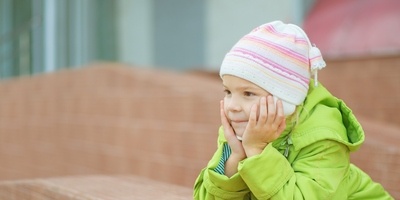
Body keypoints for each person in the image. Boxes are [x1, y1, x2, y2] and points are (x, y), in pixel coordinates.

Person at [193, 21, 393, 199]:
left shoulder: (322, 138)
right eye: (228, 91)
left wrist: (257, 151)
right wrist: (235, 158)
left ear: (285, 99)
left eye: (248, 94)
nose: (233, 106)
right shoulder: (239, 132)